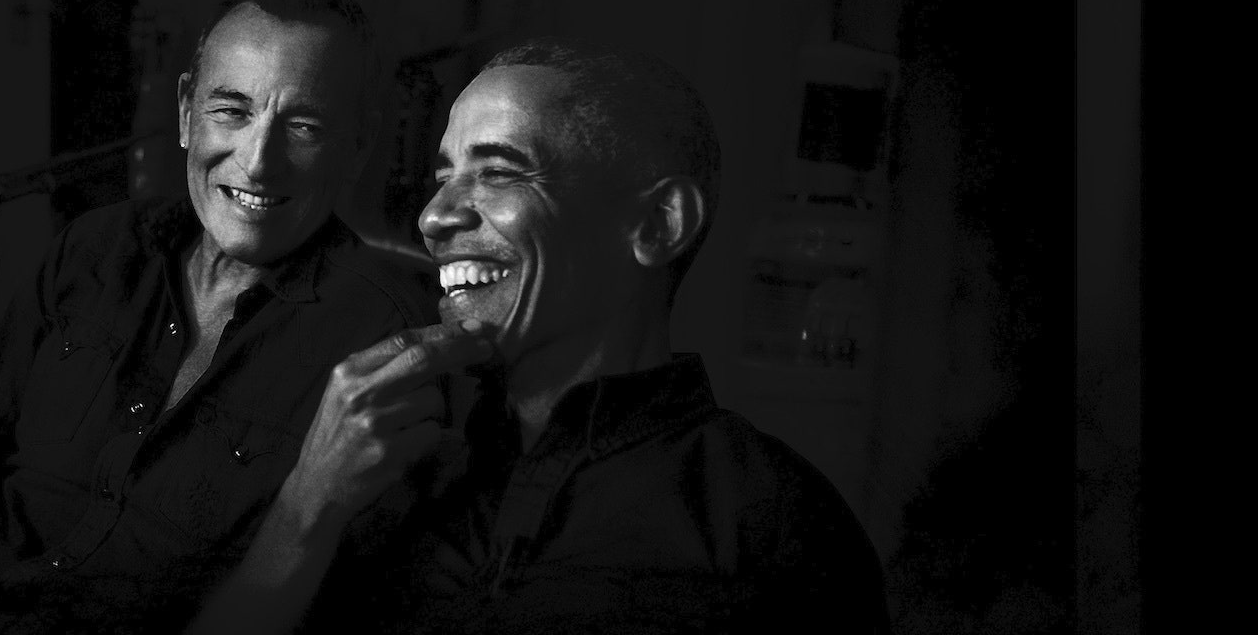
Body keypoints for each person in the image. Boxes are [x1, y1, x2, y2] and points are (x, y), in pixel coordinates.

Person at [191, 36, 890, 634]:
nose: (434, 217)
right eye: (443, 176)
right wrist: (305, 510)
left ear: (658, 225)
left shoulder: (774, 526)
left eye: (498, 173)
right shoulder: (374, 461)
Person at [0, 0, 437, 634]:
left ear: (357, 149)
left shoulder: (380, 342)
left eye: (304, 126)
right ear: (186, 111)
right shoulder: (94, 249)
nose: (258, 161)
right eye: (232, 111)